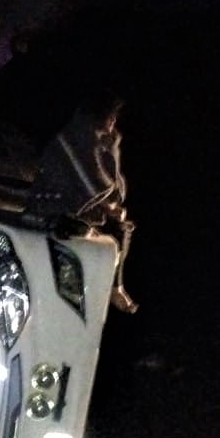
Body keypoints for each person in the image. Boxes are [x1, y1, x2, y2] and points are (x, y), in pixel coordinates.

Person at [28, 93, 138, 313]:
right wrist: (114, 149)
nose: (114, 123)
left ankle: (115, 286)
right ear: (104, 117)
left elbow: (105, 190)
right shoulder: (84, 139)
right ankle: (111, 288)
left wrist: (111, 205)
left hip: (58, 206)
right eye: (113, 117)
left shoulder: (82, 133)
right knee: (115, 239)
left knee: (119, 226)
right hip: (50, 213)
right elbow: (103, 188)